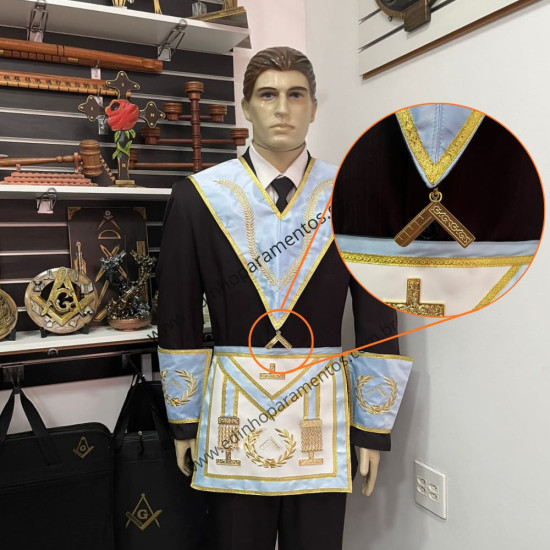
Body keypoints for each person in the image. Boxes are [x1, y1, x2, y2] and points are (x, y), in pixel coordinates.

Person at [156, 46, 413, 550]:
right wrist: (184, 420)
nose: (282, 109)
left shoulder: (354, 193)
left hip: (323, 410)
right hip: (232, 410)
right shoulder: (198, 196)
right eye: (267, 95)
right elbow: (178, 313)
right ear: (246, 107)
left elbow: (377, 314)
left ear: (313, 107)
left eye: (296, 95)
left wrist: (372, 428)